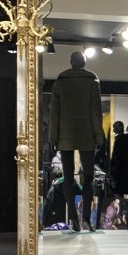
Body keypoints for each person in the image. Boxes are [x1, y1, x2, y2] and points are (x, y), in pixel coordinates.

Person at [47, 51, 103, 233]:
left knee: (68, 177)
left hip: (65, 135)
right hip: (87, 134)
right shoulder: (92, 81)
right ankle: (86, 217)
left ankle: (73, 217)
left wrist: (53, 137)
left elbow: (54, 113)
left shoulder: (61, 81)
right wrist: (99, 136)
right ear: (84, 63)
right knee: (89, 178)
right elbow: (96, 112)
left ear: (71, 62)